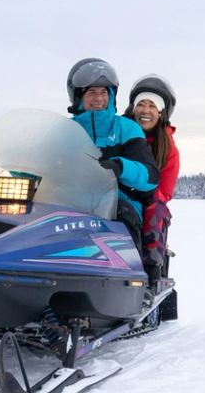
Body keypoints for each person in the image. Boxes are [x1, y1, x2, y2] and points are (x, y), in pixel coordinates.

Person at [65, 58, 159, 266]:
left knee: (123, 216)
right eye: (91, 93)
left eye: (103, 92)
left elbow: (150, 176)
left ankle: (131, 281)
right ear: (79, 97)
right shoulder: (64, 131)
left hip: (118, 202)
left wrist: (120, 167)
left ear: (112, 96)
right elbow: (41, 160)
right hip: (68, 202)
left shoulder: (127, 129)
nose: (98, 98)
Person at [127, 74, 179, 319]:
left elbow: (165, 191)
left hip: (148, 198)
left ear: (161, 113)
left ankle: (150, 272)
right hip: (109, 190)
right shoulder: (120, 132)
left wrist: (140, 187)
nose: (145, 110)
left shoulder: (167, 147)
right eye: (141, 104)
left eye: (151, 105)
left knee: (154, 209)